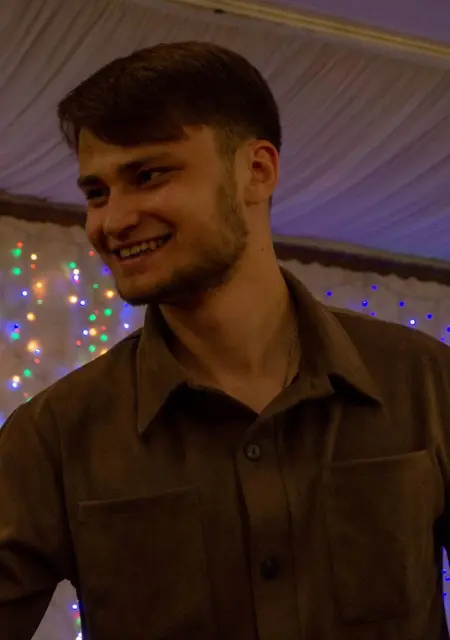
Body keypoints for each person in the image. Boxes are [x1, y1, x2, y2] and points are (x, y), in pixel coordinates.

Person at [1, 41, 449, 640]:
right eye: (96, 193)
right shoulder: (54, 434)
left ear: (257, 171)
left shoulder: (426, 382)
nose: (112, 221)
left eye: (148, 176)